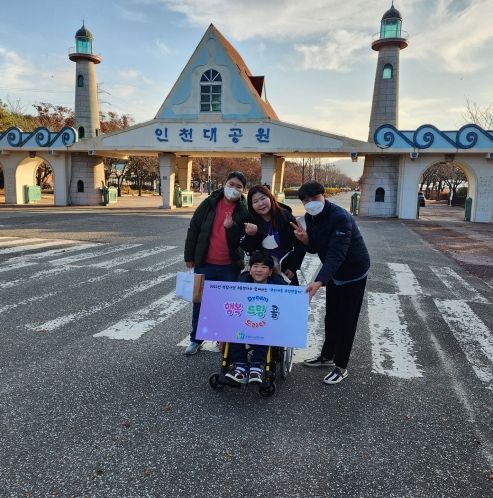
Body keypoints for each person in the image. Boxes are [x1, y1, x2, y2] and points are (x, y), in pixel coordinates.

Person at [291, 181, 370, 384]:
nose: (311, 203)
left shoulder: (340, 217)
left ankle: (341, 367)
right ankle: (327, 356)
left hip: (353, 271)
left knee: (347, 320)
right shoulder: (311, 217)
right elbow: (316, 247)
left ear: (324, 195)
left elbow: (337, 253)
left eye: (314, 198)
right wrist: (305, 239)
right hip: (334, 273)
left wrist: (319, 281)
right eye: (306, 200)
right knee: (331, 316)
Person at [183, 171, 249, 355]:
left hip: (230, 266)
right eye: (231, 184)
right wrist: (189, 256)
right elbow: (194, 228)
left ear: (243, 190)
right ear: (224, 184)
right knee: (200, 302)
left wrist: (232, 227)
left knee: (228, 305)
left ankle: (224, 339)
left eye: (238, 186)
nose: (234, 189)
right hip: (205, 263)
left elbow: (243, 240)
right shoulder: (209, 203)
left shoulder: (244, 210)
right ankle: (196, 339)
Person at [225, 250, 286, 384]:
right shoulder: (241, 284)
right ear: (250, 269)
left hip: (267, 322)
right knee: (234, 330)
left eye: (264, 267)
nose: (259, 270)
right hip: (245, 321)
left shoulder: (279, 287)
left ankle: (256, 366)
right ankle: (240, 366)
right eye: (255, 266)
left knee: (263, 331)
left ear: (270, 272)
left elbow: (287, 304)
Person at [241, 184, 305, 284]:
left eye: (263, 198)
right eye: (255, 201)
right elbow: (246, 248)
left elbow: (300, 244)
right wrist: (251, 235)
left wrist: (293, 267)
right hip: (260, 273)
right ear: (251, 205)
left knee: (287, 293)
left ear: (270, 198)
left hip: (284, 269)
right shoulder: (249, 220)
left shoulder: (285, 216)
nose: (261, 203)